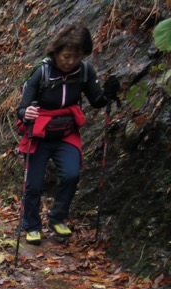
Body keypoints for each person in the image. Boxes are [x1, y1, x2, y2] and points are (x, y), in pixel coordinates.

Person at [17, 24, 120, 244]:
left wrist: (109, 93)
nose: (70, 61)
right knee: (34, 184)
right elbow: (22, 108)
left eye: (76, 56)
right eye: (66, 56)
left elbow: (97, 101)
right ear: (56, 52)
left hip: (66, 133)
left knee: (72, 175)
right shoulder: (41, 71)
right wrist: (28, 112)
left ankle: (57, 218)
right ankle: (32, 225)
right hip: (41, 134)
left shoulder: (84, 71)